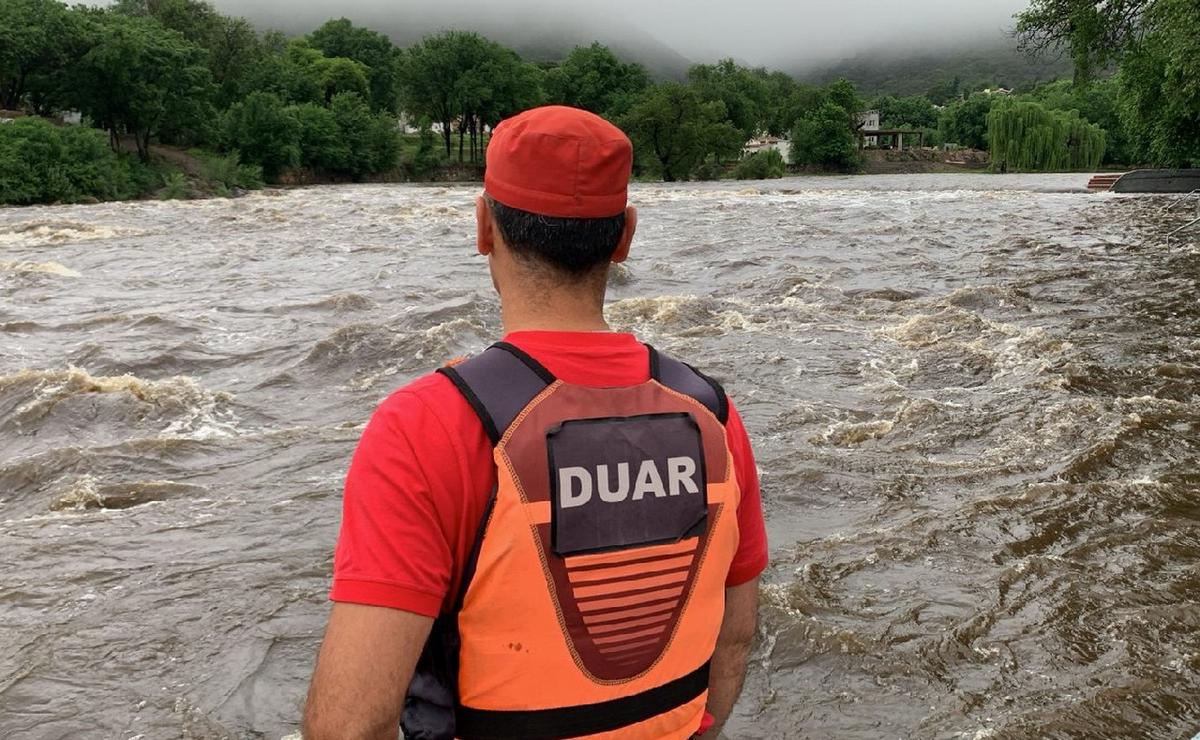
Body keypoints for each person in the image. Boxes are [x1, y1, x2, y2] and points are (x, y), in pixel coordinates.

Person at [303, 105, 768, 740]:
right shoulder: (712, 412)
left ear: (483, 226)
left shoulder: (427, 425)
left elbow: (350, 728)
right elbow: (735, 640)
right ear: (624, 236)